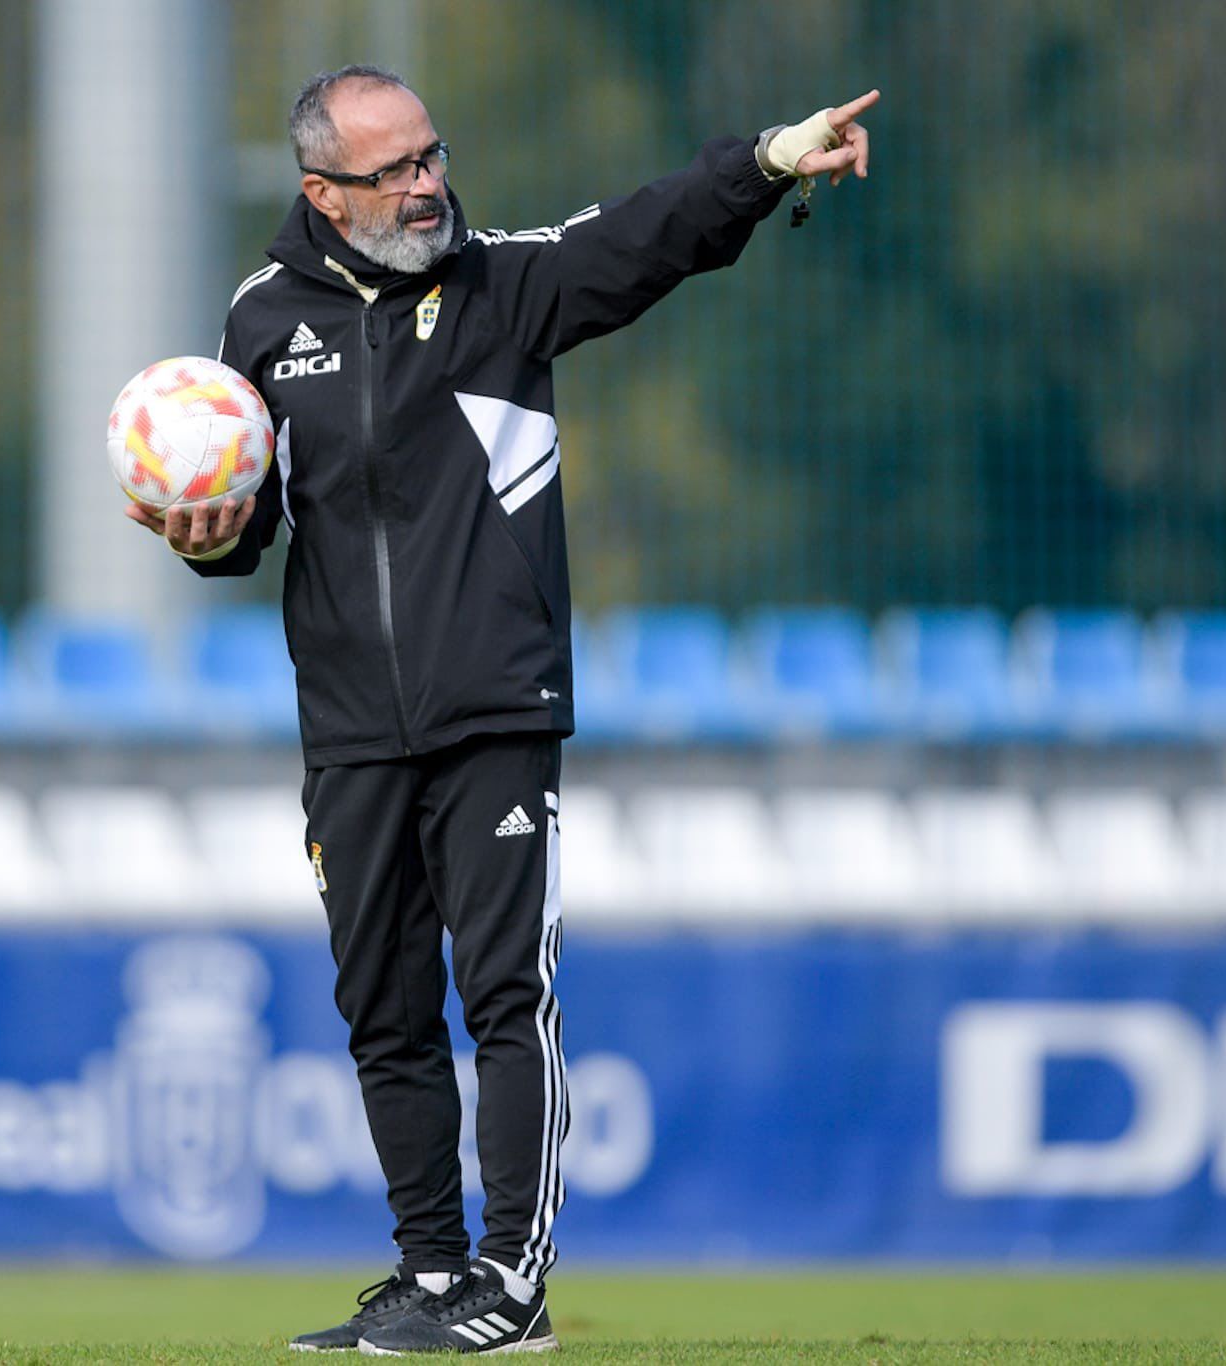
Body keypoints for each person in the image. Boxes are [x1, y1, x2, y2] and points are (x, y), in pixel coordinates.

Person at [125, 64, 877, 1355]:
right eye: (394, 170)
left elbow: (643, 238)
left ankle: (512, 1284)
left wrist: (762, 162)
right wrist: (203, 538)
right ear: (323, 192)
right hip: (350, 727)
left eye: (432, 155)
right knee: (383, 1013)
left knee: (503, 995)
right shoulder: (261, 321)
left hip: (494, 705)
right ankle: (429, 1274)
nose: (428, 185)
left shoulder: (502, 285)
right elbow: (248, 529)